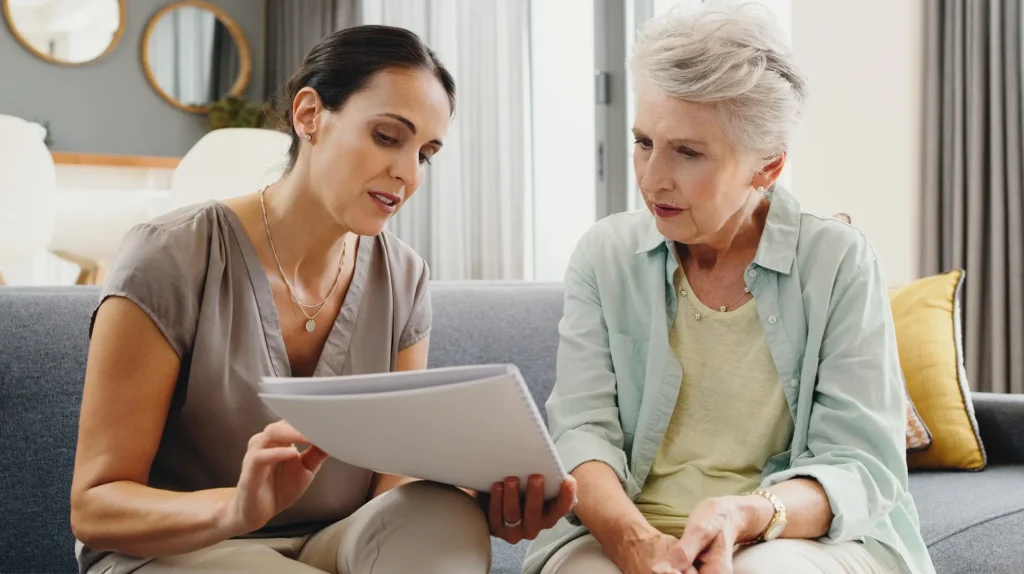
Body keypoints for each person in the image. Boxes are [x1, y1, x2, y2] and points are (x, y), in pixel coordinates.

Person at [70, 25, 575, 574]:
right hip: (182, 549)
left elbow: (394, 483)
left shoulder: (404, 276)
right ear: (309, 114)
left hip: (335, 544)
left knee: (441, 520)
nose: (406, 173)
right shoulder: (172, 254)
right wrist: (235, 508)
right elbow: (96, 506)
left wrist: (476, 504)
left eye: (425, 154)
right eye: (387, 136)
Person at [522, 3, 934, 574]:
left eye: (687, 152)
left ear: (767, 167)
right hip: (628, 530)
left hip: (792, 532)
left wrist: (748, 514)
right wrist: (638, 547)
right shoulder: (605, 255)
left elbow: (859, 464)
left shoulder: (838, 263)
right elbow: (582, 432)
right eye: (644, 142)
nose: (650, 178)